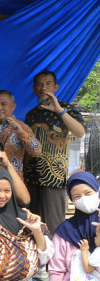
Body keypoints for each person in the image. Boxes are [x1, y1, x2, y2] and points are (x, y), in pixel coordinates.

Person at [24, 70, 85, 235]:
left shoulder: (66, 109)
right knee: (32, 225)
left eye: (48, 83)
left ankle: (56, 260)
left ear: (56, 87)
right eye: (39, 84)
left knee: (54, 227)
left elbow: (80, 132)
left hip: (54, 178)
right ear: (34, 88)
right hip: (30, 177)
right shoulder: (31, 115)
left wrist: (59, 110)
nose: (44, 87)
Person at [0, 90, 41, 177]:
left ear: (13, 106)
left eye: (3, 104)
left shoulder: (22, 127)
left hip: (13, 181)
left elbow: (36, 151)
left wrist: (22, 133)